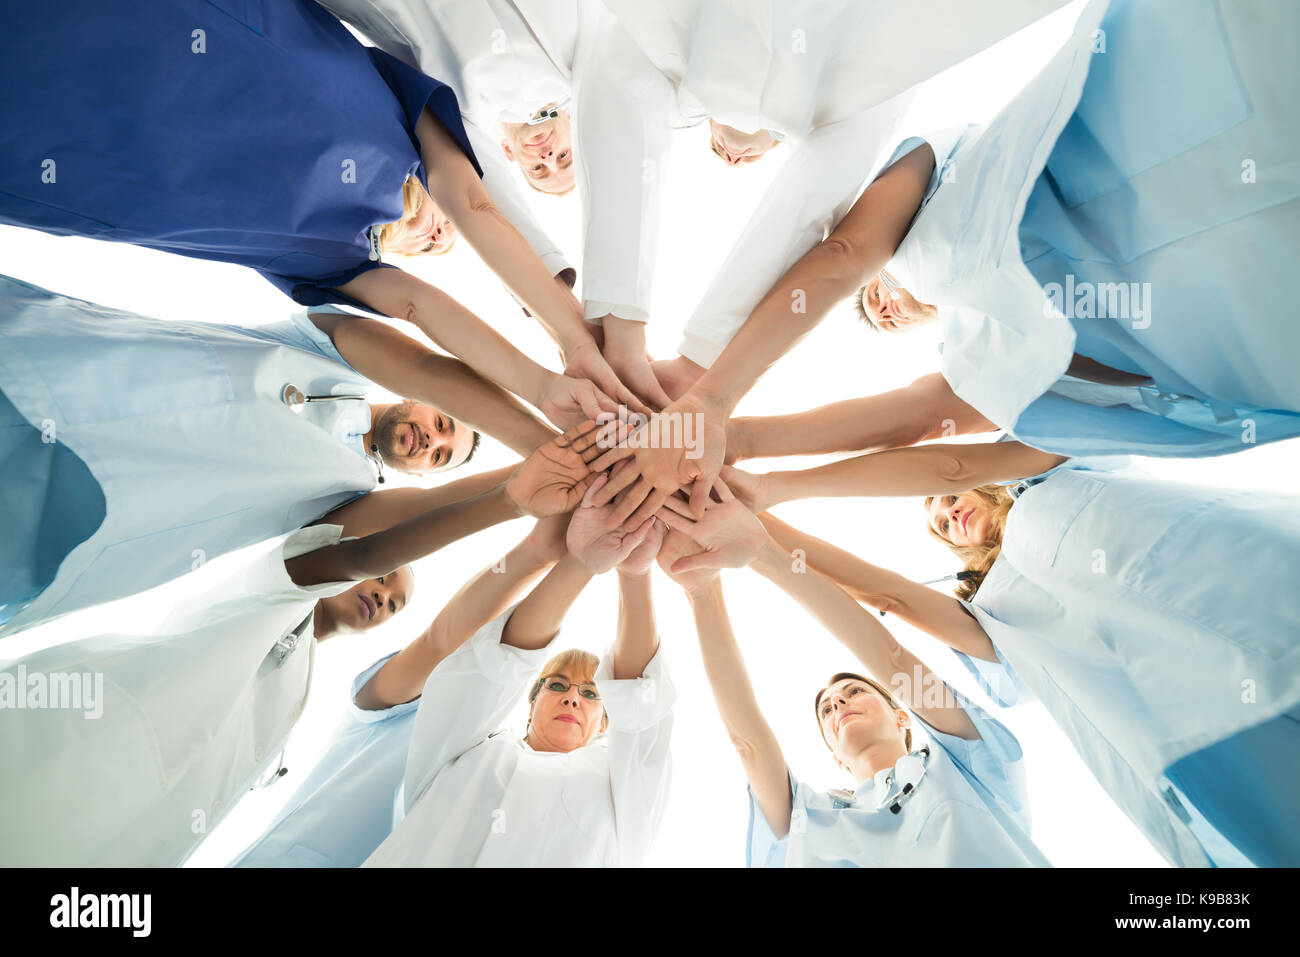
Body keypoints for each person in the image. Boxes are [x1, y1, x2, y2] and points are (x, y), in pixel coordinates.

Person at [626, 0, 1300, 517]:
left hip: (1191, 130)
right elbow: (926, 431)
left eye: (875, 294)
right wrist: (737, 445)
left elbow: (847, 252)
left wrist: (709, 394)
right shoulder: (979, 355)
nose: (883, 302)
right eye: (886, 320)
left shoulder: (941, 161)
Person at [0, 1, 645, 427]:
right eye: (444, 230)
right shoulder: (410, 118)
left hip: (71, 153)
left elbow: (424, 313)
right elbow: (476, 205)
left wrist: (539, 387)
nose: (437, 231)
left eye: (430, 247)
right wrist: (574, 336)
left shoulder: (333, 259)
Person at [0, 422, 609, 866]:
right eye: (387, 582)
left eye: (394, 604)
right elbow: (411, 599)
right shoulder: (270, 585)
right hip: (52, 756)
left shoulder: (294, 711)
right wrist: (529, 509)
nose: (384, 597)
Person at [721, 443, 1300, 867]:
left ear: (984, 482)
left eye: (950, 500)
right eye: (942, 525)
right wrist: (753, 525)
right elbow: (884, 594)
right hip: (1191, 716)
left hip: (1245, 581)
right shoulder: (993, 614)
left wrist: (764, 493)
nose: (950, 514)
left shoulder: (1050, 473)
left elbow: (950, 455)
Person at [0, 273, 562, 634]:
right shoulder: (322, 349)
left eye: (439, 455)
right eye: (441, 422)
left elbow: (429, 508)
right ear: (421, 402)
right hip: (47, 377)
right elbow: (424, 366)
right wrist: (550, 438)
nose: (432, 441)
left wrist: (557, 465)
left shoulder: (347, 499)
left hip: (69, 523)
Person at [578, 0, 1066, 410]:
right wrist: (687, 360)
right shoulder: (857, 96)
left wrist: (653, 342)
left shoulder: (670, 62)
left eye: (719, 150)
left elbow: (832, 236)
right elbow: (817, 212)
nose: (731, 152)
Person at [654, 482, 1049, 867]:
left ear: (901, 715)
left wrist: (764, 554)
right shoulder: (807, 817)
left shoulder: (965, 765)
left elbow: (892, 661)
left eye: (854, 691)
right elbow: (749, 744)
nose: (838, 703)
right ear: (834, 756)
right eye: (827, 709)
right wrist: (701, 589)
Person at [362, 469, 672, 867]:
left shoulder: (618, 791)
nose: (573, 698)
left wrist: (635, 570)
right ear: (531, 702)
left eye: (592, 693)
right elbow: (498, 662)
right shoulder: (468, 752)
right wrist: (582, 561)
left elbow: (640, 706)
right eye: (557, 685)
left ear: (604, 725)